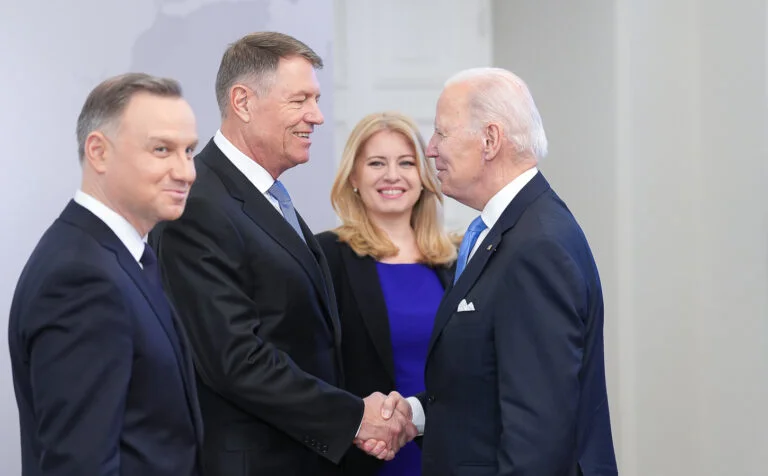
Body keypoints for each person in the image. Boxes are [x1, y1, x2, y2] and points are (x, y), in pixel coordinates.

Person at [149, 32, 415, 476]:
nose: (317, 116)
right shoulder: (198, 205)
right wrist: (354, 418)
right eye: (300, 100)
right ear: (243, 102)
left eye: (317, 100)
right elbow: (235, 359)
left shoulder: (266, 197)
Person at [374, 67, 618, 475]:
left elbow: (538, 431)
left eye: (441, 133)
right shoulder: (508, 230)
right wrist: (416, 414)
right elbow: (487, 383)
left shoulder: (536, 246)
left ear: (490, 140)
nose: (430, 149)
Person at [8, 73, 202, 475]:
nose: (186, 172)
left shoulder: (123, 257)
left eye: (189, 151)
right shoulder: (80, 278)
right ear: (98, 152)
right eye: (162, 149)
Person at [316, 112, 456, 476]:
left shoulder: (457, 259)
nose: (392, 175)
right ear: (354, 177)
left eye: (406, 163)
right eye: (377, 163)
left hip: (449, 451)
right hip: (364, 457)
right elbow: (312, 365)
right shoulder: (326, 256)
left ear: (423, 176)